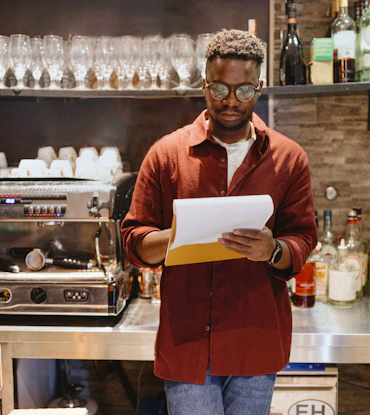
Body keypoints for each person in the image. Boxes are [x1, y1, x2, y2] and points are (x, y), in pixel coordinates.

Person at [121, 29, 317, 415]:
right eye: (219, 89)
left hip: (256, 337)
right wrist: (176, 237)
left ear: (259, 88)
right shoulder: (166, 155)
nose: (231, 101)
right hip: (189, 342)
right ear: (204, 85)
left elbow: (303, 238)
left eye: (244, 90)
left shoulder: (289, 159)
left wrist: (272, 249)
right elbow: (133, 240)